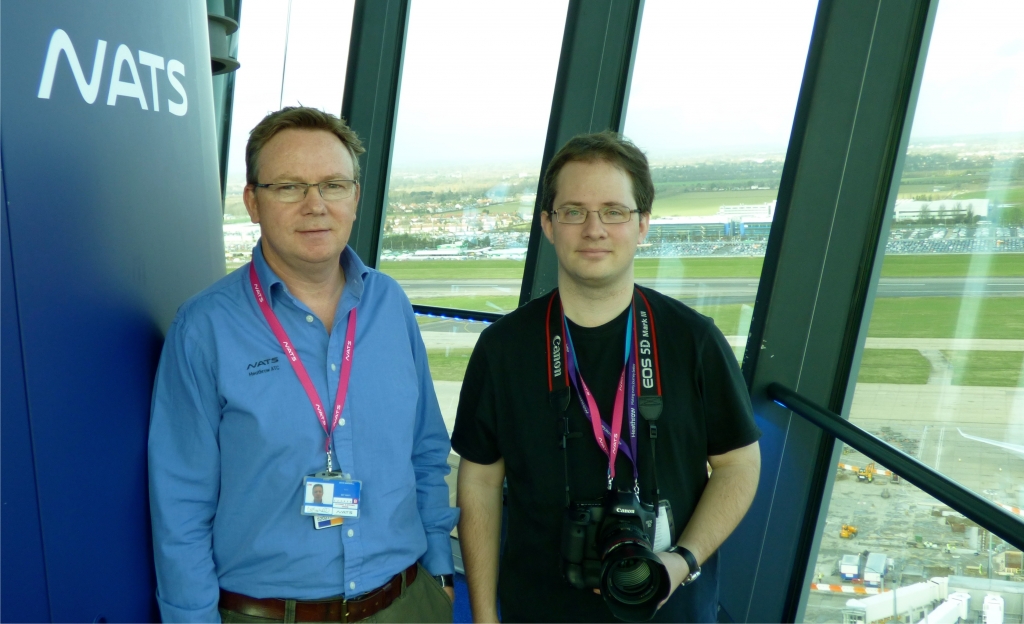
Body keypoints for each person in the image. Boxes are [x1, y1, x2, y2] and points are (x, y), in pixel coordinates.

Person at [149, 107, 457, 623]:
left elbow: (426, 451)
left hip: (405, 604)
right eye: (289, 186)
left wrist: (441, 574)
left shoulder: (390, 305)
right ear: (253, 201)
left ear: (356, 197)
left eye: (333, 185)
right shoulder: (204, 328)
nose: (315, 205)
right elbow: (180, 503)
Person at [452, 131, 761, 623]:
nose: (593, 228)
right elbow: (480, 481)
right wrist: (486, 617)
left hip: (673, 609)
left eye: (613, 211)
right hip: (541, 610)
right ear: (549, 226)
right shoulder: (504, 349)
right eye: (573, 211)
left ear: (642, 226)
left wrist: (681, 561)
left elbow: (739, 466)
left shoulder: (693, 341)